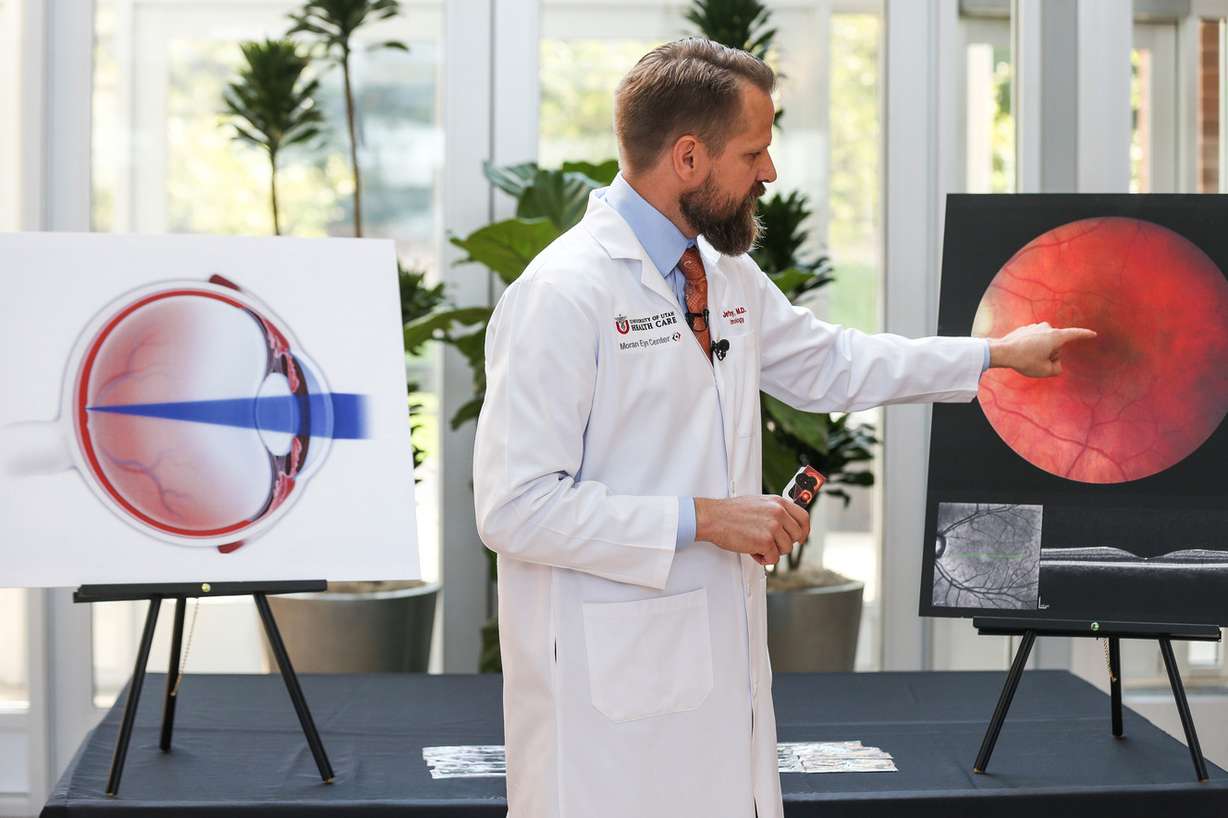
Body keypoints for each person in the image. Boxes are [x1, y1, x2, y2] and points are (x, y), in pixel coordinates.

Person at [471, 37, 1095, 818]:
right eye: (755, 152)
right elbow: (514, 507)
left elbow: (831, 363)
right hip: (604, 710)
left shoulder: (722, 271)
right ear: (689, 157)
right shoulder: (562, 295)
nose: (768, 173)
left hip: (715, 672)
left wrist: (994, 354)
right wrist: (706, 518)